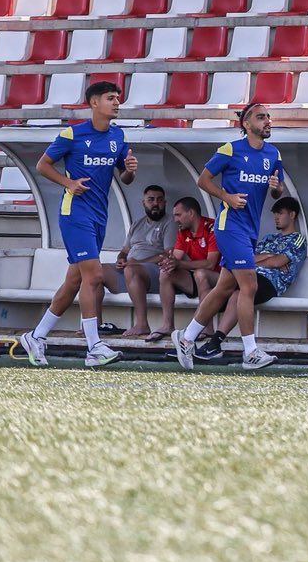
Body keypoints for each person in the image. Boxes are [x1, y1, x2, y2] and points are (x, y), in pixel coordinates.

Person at [22, 80, 138, 368]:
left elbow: (125, 177)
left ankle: (36, 336)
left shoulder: (118, 135)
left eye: (117, 98)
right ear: (94, 102)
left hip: (99, 214)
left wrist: (130, 170)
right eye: (110, 98)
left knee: (75, 280)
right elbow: (42, 165)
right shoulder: (72, 134)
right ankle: (94, 346)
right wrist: (68, 183)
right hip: (75, 213)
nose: (116, 102)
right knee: (94, 275)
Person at [177, 103, 286, 372]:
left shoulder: (273, 153)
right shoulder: (230, 149)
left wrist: (276, 188)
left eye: (268, 117)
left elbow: (278, 191)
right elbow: (203, 180)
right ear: (246, 124)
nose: (267, 121)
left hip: (250, 230)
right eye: (261, 117)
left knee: (224, 288)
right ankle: (250, 352)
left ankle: (186, 338)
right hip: (230, 226)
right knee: (249, 286)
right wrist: (226, 196)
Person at [207, 197, 308, 357]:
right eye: (275, 214)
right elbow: (249, 258)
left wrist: (266, 259)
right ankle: (205, 339)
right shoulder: (269, 238)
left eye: (280, 213)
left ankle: (213, 342)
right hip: (250, 276)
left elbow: (277, 262)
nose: (276, 217)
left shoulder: (298, 239)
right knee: (219, 285)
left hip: (271, 283)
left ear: (292, 215)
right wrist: (268, 256)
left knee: (236, 292)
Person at [106, 183, 174, 340]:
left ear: (165, 202)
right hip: (131, 270)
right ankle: (96, 326)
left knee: (131, 270)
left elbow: (168, 254)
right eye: (151, 200)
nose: (155, 203)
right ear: (143, 203)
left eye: (159, 200)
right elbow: (124, 250)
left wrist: (137, 263)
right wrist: (121, 259)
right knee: (95, 272)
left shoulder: (170, 222)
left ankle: (142, 324)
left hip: (155, 272)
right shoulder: (137, 224)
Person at [169, 196, 220, 314]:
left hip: (221, 278)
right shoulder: (183, 231)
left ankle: (203, 324)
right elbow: (176, 258)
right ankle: (167, 323)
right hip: (198, 279)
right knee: (166, 273)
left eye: (178, 215)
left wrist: (179, 264)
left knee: (201, 273)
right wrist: (169, 263)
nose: (175, 220)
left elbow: (210, 264)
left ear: (191, 213)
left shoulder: (213, 228)